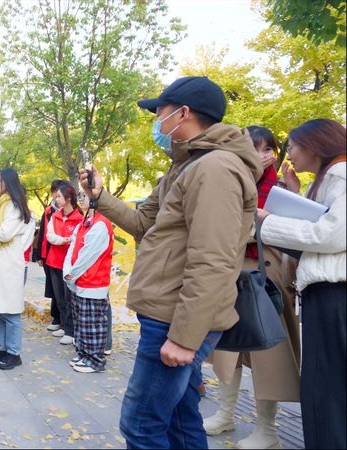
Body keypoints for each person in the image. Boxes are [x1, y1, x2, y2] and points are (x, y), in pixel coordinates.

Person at [81, 76, 262, 449]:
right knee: (180, 420)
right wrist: (99, 196)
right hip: (169, 313)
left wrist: (184, 338)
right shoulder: (185, 166)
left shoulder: (214, 169)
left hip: (176, 319)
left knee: (141, 425)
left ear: (183, 113)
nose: (156, 122)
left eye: (159, 112)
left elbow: (212, 260)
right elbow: (143, 223)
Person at [204, 125, 301, 449]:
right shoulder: (230, 180)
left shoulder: (282, 188)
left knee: (268, 355)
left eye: (267, 148)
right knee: (226, 350)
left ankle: (268, 430)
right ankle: (225, 414)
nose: (262, 156)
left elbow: (299, 231)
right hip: (231, 274)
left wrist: (288, 200)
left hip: (268, 276)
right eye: (254, 148)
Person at [257, 119, 346, 450]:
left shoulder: (341, 175)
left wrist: (269, 222)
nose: (289, 153)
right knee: (325, 384)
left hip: (334, 294)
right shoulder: (328, 178)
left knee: (325, 386)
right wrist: (295, 195)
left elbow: (331, 234)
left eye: (292, 146)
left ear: (314, 145)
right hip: (326, 293)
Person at [0, 168, 36, 370]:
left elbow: (5, 233)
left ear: (8, 183)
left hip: (10, 262)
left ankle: (14, 352)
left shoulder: (14, 206)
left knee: (11, 310)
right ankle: (0, 347)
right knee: (0, 308)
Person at [63, 192, 114, 374]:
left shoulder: (101, 224)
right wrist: (68, 271)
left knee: (92, 324)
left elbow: (88, 256)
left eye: (84, 195)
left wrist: (72, 273)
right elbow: (72, 249)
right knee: (81, 323)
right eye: (80, 195)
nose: (80, 198)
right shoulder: (84, 223)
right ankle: (84, 354)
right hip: (80, 281)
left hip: (94, 282)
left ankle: (95, 360)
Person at [45, 183, 83, 346]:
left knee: (69, 298)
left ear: (68, 198)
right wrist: (63, 240)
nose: (56, 199)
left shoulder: (79, 218)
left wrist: (66, 240)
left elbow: (78, 239)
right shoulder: (55, 216)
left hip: (70, 264)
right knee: (59, 297)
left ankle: (70, 330)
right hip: (54, 261)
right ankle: (63, 324)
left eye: (59, 196)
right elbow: (50, 236)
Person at [32, 180, 67, 334]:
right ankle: (56, 317)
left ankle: (65, 321)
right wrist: (39, 255)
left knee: (64, 289)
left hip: (64, 254)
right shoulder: (48, 211)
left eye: (60, 193)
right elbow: (42, 234)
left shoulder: (71, 211)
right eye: (55, 192)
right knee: (54, 287)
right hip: (49, 254)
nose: (57, 196)